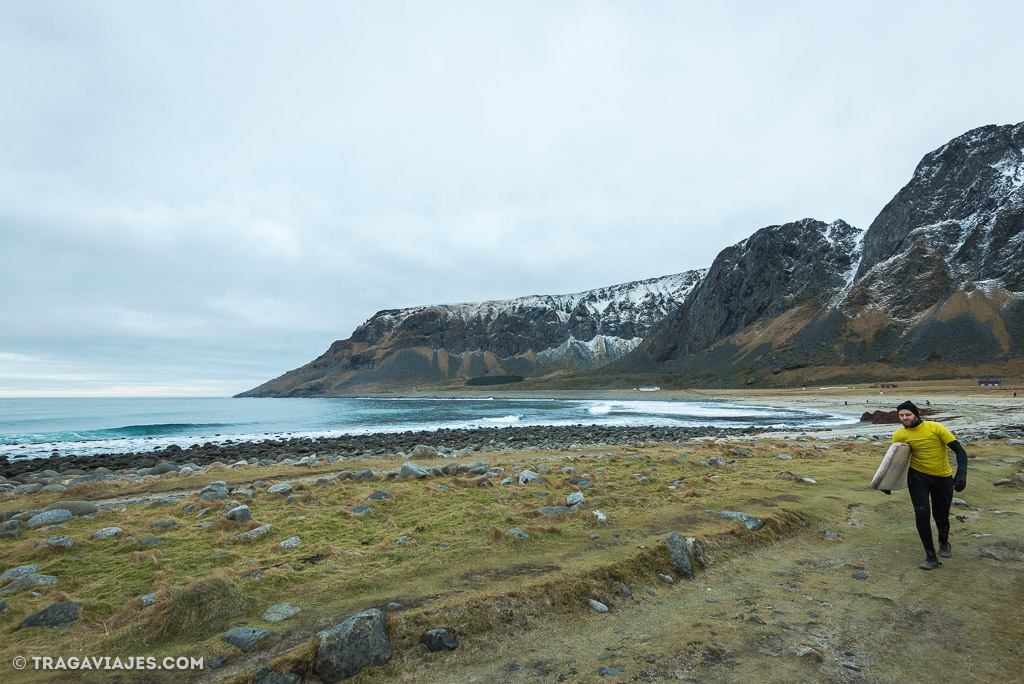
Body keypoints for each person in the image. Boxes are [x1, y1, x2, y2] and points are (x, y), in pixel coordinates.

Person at [886, 400, 968, 570]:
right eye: (901, 415)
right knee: (922, 513)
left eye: (908, 414)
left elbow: (960, 451)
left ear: (916, 414)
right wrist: (886, 483)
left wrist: (961, 474)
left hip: (942, 478)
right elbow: (896, 462)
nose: (904, 418)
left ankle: (943, 542)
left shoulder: (935, 428)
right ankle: (930, 557)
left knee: (941, 516)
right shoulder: (899, 435)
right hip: (917, 477)